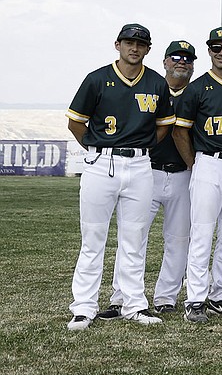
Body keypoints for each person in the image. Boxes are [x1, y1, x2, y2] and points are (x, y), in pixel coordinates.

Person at [66, 24, 175, 331]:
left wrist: (143, 146)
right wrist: (97, 148)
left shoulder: (155, 81)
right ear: (117, 44)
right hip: (102, 163)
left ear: (148, 49)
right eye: (129, 42)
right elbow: (76, 123)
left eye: (140, 44)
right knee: (93, 238)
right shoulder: (97, 78)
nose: (134, 48)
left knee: (135, 238)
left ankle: (133, 304)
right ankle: (84, 307)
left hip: (140, 164)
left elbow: (164, 125)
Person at [174, 26, 222, 321]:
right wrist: (194, 164)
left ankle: (220, 294)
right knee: (202, 232)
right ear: (209, 51)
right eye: (216, 48)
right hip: (208, 163)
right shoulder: (198, 87)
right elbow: (180, 131)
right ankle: (195, 299)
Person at [145, 41, 196, 316]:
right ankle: (122, 296)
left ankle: (166, 297)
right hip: (148, 171)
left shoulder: (198, 93)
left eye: (187, 58)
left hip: (182, 174)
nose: (181, 62)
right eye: (176, 57)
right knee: (135, 237)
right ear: (165, 61)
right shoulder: (151, 88)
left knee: (178, 239)